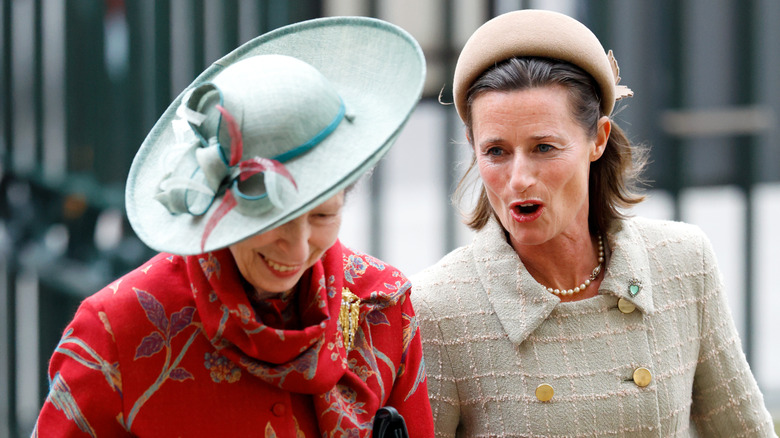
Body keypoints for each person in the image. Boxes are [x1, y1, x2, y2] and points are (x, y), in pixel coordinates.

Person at [32, 16, 434, 437]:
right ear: (219, 204)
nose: (297, 249)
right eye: (274, 218)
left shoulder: (383, 305)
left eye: (322, 215)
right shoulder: (118, 332)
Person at [413, 9, 777, 437]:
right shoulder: (437, 308)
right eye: (496, 151)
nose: (519, 178)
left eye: (544, 147)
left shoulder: (682, 263)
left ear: (598, 139)